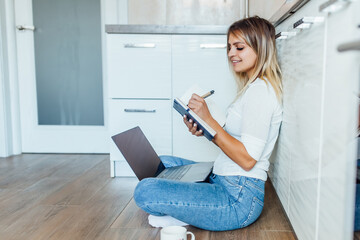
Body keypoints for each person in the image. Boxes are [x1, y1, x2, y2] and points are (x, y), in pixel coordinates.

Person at [134, 16, 283, 231]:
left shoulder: (261, 93)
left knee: (145, 191)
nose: (232, 53)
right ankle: (190, 209)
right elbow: (234, 143)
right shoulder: (252, 89)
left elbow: (248, 159)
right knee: (161, 163)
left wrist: (210, 121)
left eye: (239, 47)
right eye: (230, 47)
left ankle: (186, 212)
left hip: (238, 199)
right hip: (223, 177)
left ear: (261, 48)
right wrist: (204, 128)